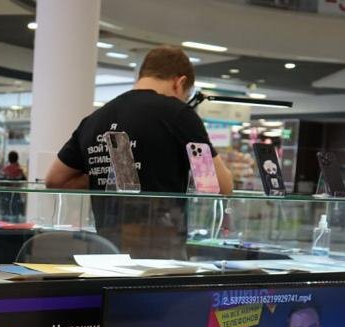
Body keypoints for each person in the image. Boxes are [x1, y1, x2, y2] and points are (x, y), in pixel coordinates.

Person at [45, 45, 233, 257]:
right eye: (186, 95)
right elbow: (220, 185)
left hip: (105, 250)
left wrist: (104, 173)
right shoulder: (179, 114)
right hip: (160, 252)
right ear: (179, 83)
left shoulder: (96, 118)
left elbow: (55, 179)